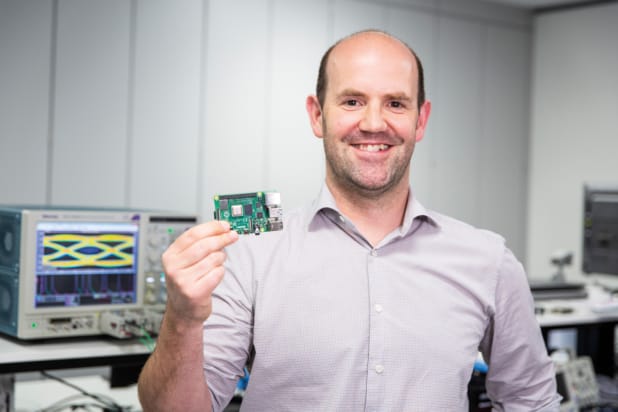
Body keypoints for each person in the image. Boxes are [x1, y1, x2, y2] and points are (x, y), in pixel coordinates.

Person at [137, 29, 561, 411]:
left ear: (421, 120)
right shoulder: (252, 248)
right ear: (317, 115)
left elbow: (531, 401)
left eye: (395, 103)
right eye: (352, 101)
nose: (374, 123)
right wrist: (183, 318)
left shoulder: (487, 258)